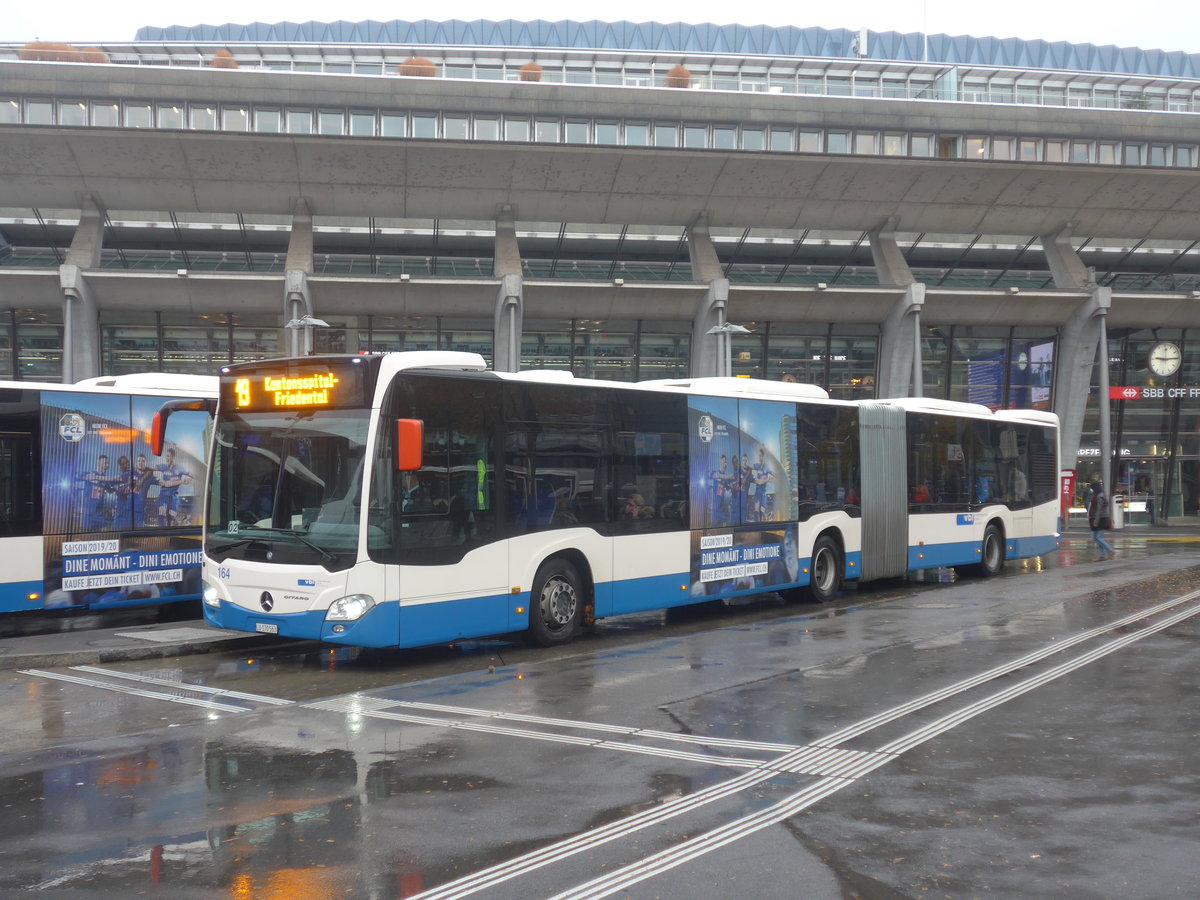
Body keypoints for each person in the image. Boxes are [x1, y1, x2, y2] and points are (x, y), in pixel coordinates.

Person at [1087, 480, 1116, 561]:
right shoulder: (1097, 495)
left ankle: (1110, 550)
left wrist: (1095, 522)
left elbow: (1099, 510)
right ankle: (1102, 555)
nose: (1091, 490)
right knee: (1096, 537)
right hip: (1097, 519)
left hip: (1100, 520)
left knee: (1097, 537)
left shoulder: (1099, 496)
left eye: (1092, 488)